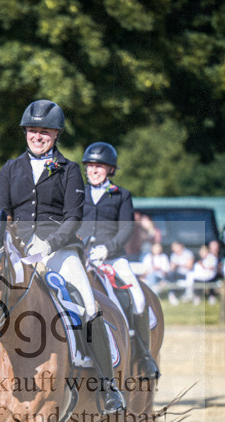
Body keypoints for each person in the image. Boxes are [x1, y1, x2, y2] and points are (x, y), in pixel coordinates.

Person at [0, 99, 122, 415]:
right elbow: (1, 213)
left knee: (87, 303)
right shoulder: (10, 169)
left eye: (44, 131)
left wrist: (49, 243)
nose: (37, 136)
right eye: (32, 130)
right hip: (16, 249)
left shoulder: (69, 170)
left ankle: (107, 385)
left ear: (55, 134)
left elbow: (74, 218)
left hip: (59, 251)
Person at [81, 141, 158, 379]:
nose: (93, 171)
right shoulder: (77, 193)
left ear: (110, 170)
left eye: (99, 167)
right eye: (90, 166)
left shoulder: (121, 195)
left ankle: (144, 353)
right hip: (81, 256)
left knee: (137, 297)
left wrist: (108, 248)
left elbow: (126, 229)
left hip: (112, 258)